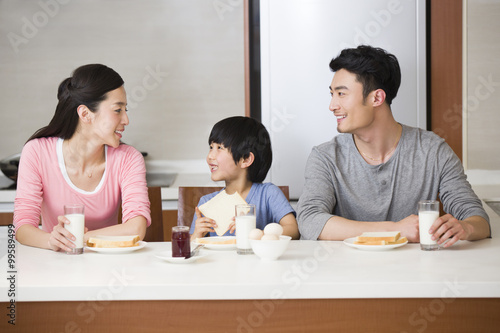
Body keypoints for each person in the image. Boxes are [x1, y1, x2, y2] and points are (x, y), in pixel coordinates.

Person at [297, 45, 490, 247]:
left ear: (377, 98)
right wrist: (394, 228)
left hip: (415, 274)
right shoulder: (325, 157)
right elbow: (309, 221)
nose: (332, 106)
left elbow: (478, 219)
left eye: (341, 94)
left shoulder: (433, 151)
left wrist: (465, 228)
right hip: (347, 274)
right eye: (332, 94)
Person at [13, 64, 151, 252]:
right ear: (85, 114)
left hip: (109, 267)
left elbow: (136, 228)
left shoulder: (128, 158)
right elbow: (22, 227)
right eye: (118, 110)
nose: (126, 120)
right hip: (55, 265)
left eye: (126, 110)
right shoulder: (37, 152)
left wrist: (79, 238)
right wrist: (51, 240)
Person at [190, 116, 299, 240]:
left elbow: (293, 229)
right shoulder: (206, 202)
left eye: (219, 148)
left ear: (246, 159)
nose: (210, 156)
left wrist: (258, 234)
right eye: (211, 147)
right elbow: (190, 249)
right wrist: (196, 235)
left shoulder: (268, 194)